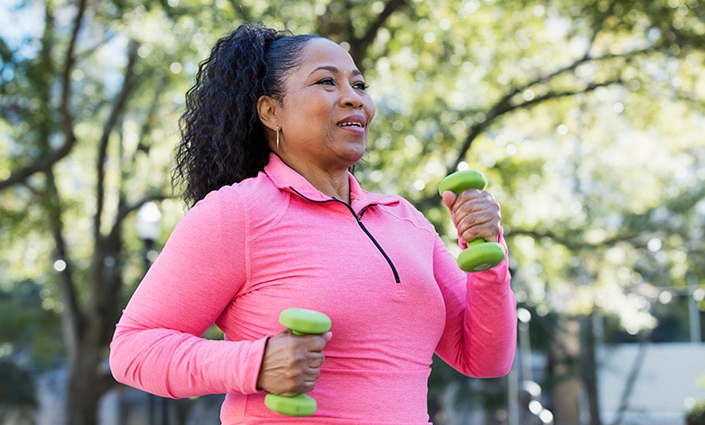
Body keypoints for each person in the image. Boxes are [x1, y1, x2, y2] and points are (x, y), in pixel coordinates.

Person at [109, 23, 517, 425]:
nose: (353, 99)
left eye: (359, 86)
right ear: (271, 111)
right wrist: (256, 363)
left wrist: (486, 252)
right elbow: (133, 349)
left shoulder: (404, 219)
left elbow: (483, 358)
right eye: (327, 82)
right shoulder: (239, 212)